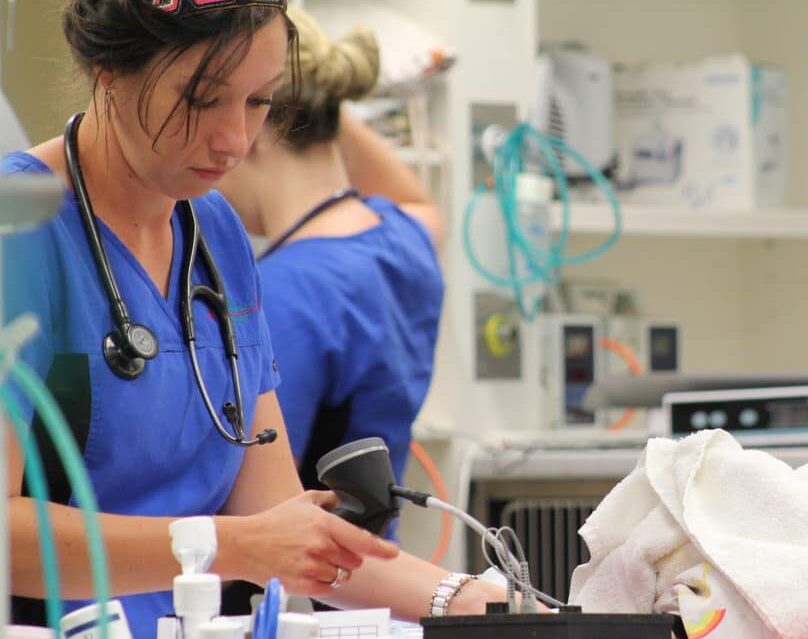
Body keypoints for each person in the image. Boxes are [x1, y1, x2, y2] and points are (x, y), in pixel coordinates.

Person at [3, 2, 500, 638]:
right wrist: (232, 544)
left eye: (260, 102)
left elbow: (278, 520)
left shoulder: (216, 234)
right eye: (202, 99)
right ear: (109, 69)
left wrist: (478, 603)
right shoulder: (20, 231)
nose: (235, 140)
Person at [217, 8, 444, 534]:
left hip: (297, 585)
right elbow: (418, 199)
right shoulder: (403, 239)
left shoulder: (285, 292)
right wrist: (320, 92)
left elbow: (249, 498)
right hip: (371, 571)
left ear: (254, 126)